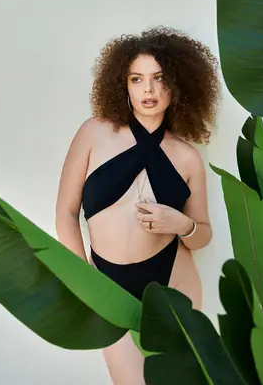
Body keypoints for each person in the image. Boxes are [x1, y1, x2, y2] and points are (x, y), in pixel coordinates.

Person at [55, 26, 220, 384]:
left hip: (173, 280)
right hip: (107, 281)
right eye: (136, 78)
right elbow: (66, 214)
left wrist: (180, 225)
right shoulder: (94, 132)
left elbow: (202, 235)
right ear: (122, 84)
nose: (148, 90)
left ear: (177, 85)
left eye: (159, 79)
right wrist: (86, 281)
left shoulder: (187, 157)